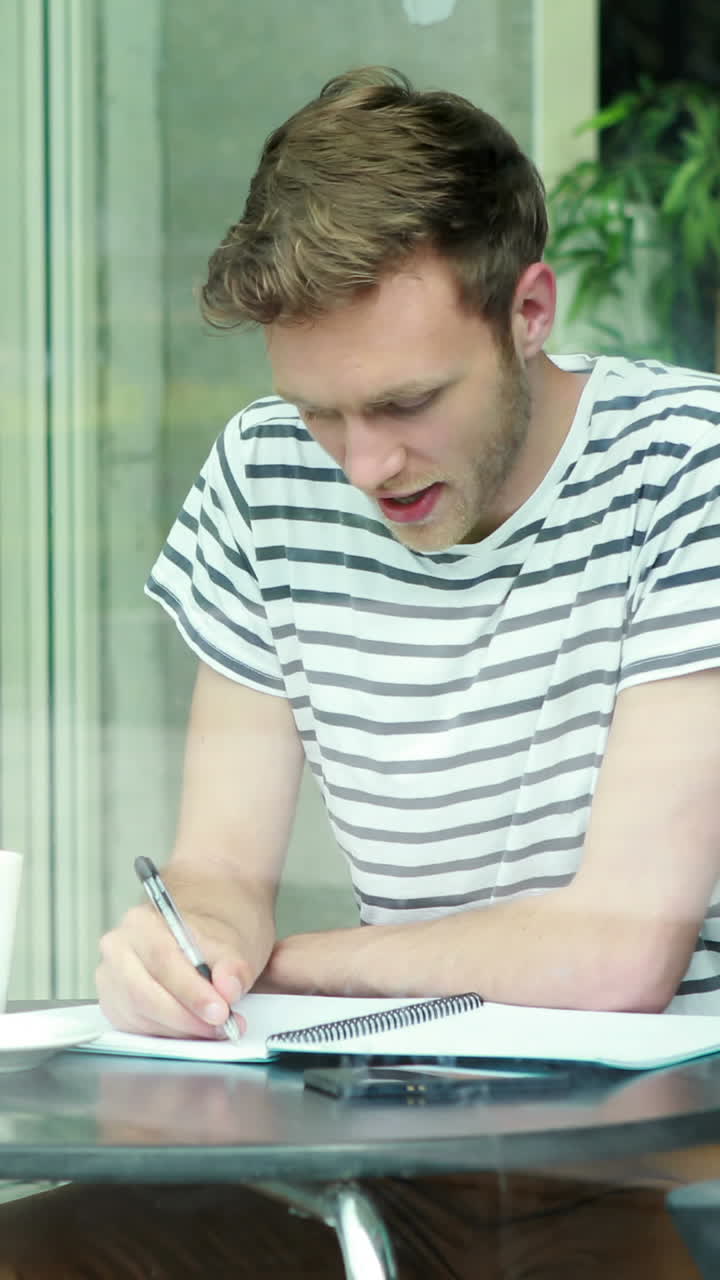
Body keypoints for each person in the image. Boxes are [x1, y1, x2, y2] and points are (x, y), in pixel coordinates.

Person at [4, 65, 720, 1279]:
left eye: (405, 401)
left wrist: (282, 962)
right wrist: (197, 946)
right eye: (321, 410)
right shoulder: (267, 474)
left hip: (652, 1161)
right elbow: (220, 867)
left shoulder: (687, 472)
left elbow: (614, 954)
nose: (362, 466)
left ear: (530, 309)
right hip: (391, 1151)